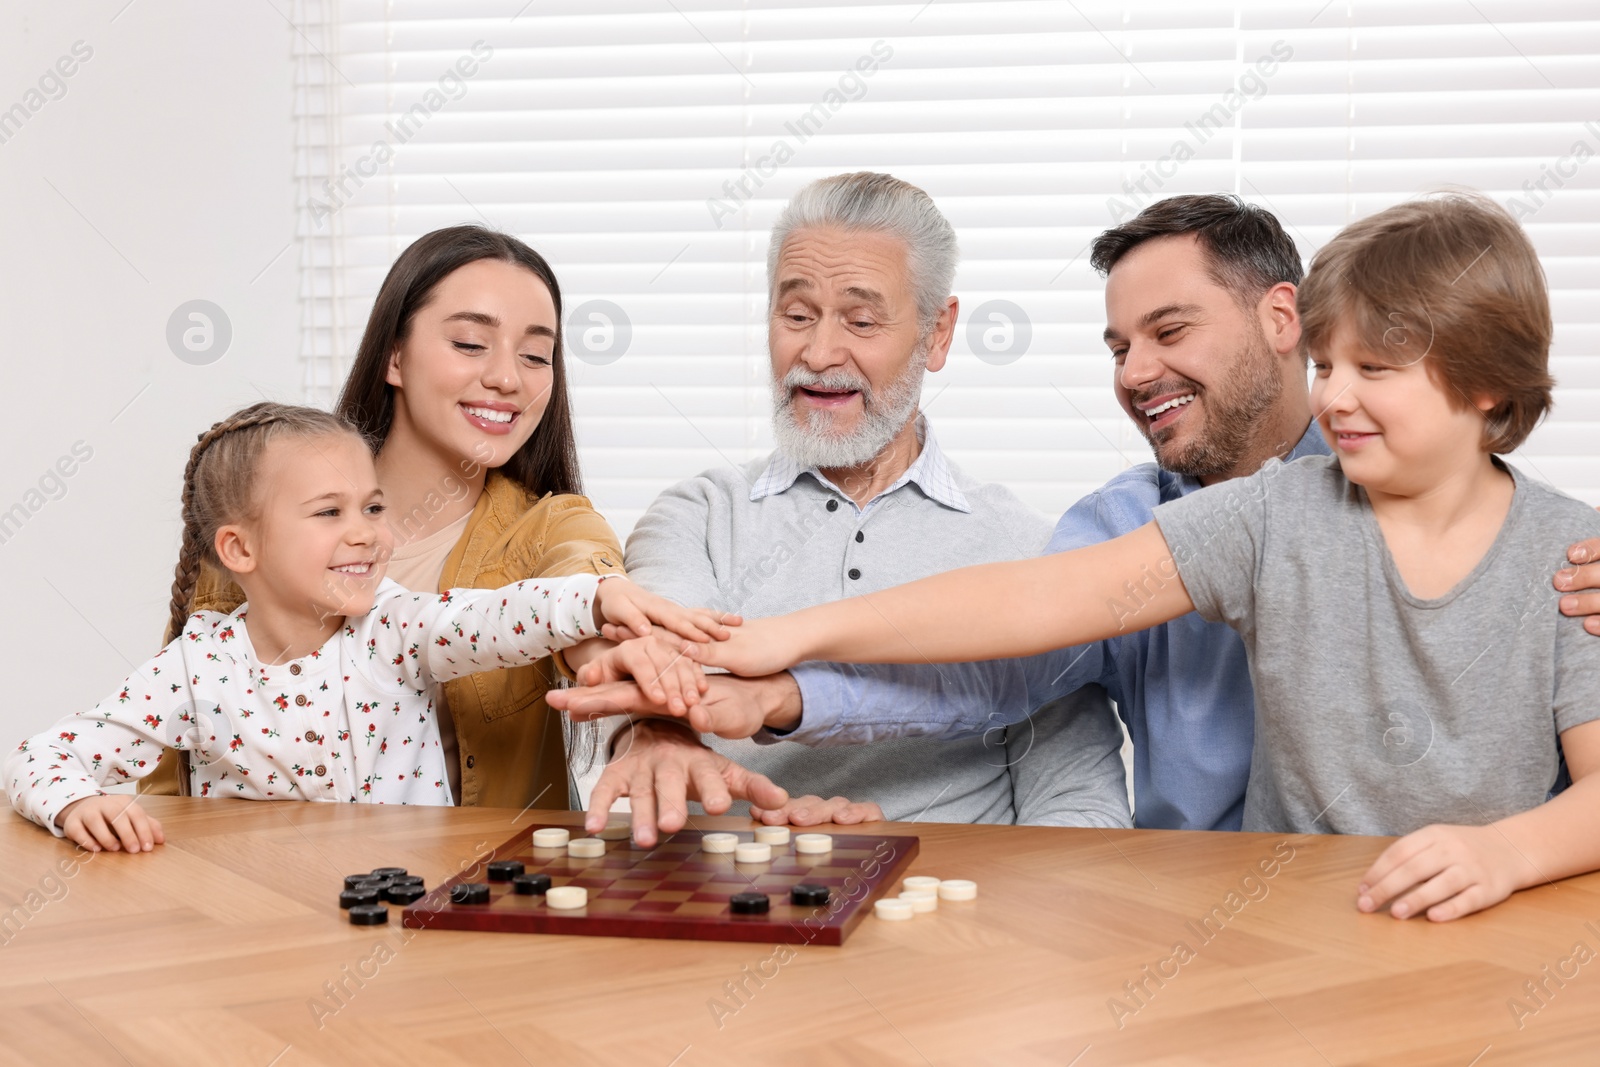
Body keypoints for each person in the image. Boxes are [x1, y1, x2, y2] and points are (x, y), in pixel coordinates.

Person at [667, 191, 1600, 923]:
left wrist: (1505, 853)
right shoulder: (1268, 515)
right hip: (1282, 922)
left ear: (1485, 385)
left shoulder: (1569, 554)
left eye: (1375, 370)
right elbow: (1031, 608)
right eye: (1330, 367)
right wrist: (789, 645)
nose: (1333, 397)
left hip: (1503, 921)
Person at [573, 172, 1131, 841]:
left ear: (938, 333)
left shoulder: (1028, 551)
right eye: (797, 315)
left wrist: (915, 859)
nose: (818, 353)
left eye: (861, 320)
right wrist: (650, 733)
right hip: (729, 903)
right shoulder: (698, 516)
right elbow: (654, 679)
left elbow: (1081, 813)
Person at [3, 403, 726, 853]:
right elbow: (41, 757)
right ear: (240, 549)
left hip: (408, 905)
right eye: (329, 512)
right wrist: (77, 800)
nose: (365, 535)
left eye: (373, 508)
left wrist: (595, 598)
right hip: (257, 917)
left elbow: (494, 617)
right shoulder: (197, 665)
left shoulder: (394, 628)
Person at [144, 226, 646, 812]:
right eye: (469, 343)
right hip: (259, 889)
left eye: (536, 355)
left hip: (464, 893)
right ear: (395, 357)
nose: (509, 379)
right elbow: (165, 770)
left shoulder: (554, 529)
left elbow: (588, 597)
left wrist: (634, 696)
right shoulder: (261, 519)